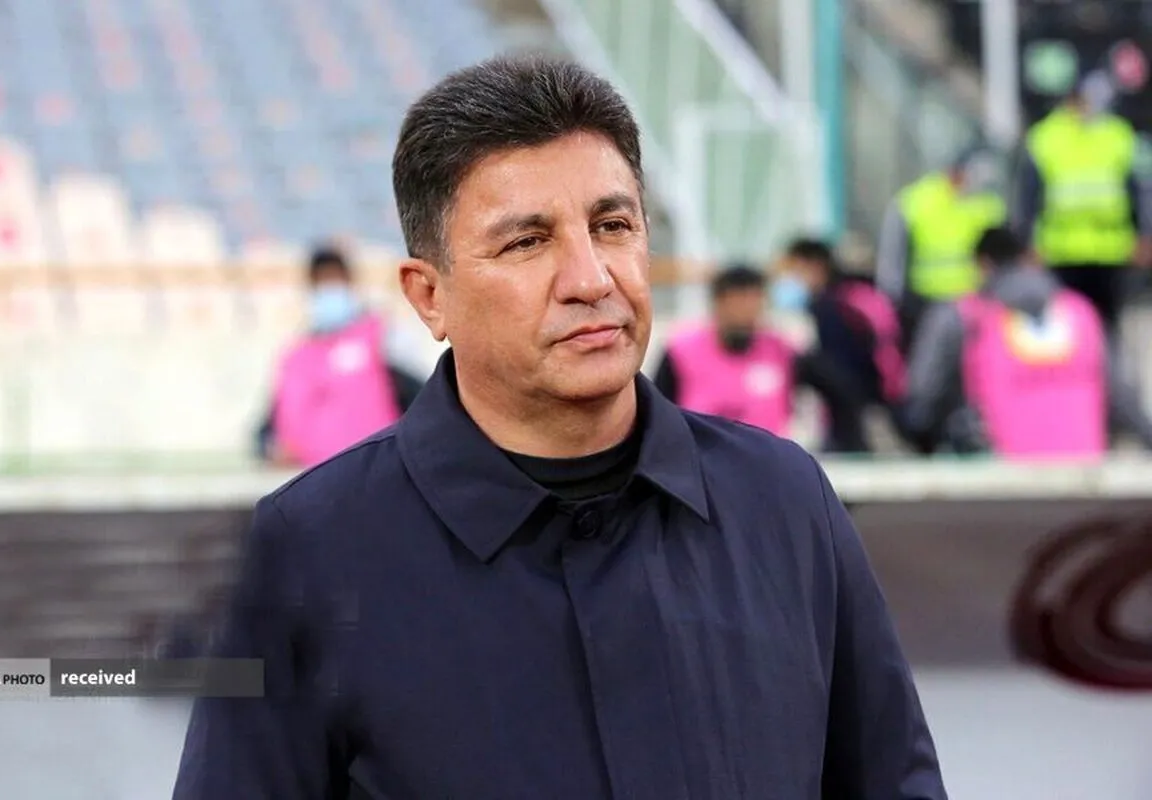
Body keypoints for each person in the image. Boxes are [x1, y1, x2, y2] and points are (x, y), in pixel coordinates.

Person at [173, 55, 945, 799]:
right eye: (527, 241)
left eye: (612, 225)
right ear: (429, 296)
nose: (590, 278)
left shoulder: (782, 500)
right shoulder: (314, 549)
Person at [905, 227, 1152, 458]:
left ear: (982, 265)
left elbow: (921, 401)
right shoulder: (1080, 312)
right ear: (1030, 258)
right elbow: (1122, 398)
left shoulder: (964, 317)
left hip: (998, 474)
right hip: (1084, 470)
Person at [654, 264, 872, 452]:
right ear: (718, 303)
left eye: (754, 303)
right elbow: (656, 414)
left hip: (763, 464)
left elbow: (840, 390)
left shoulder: (780, 352)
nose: (746, 313)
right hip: (700, 463)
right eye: (738, 303)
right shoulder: (681, 352)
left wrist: (846, 445)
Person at [1012, 71, 1152, 343]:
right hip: (1060, 252)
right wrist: (1027, 244)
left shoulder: (1117, 135)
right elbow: (1029, 197)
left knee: (1107, 328)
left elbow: (1135, 192)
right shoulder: (1045, 137)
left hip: (1110, 251)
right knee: (1068, 328)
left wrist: (1143, 236)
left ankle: (1106, 370)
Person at [256, 246, 427, 467]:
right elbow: (268, 428)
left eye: (334, 280)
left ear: (349, 282)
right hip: (316, 476)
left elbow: (420, 397)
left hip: (379, 468)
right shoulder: (296, 356)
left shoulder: (382, 338)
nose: (329, 289)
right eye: (321, 282)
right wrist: (271, 449)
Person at [775, 237, 912, 451]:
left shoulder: (831, 308)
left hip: (859, 412)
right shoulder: (859, 295)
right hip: (879, 405)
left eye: (794, 270)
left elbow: (841, 370)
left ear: (815, 266)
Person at [876, 147, 1007, 348]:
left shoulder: (989, 203)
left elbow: (1003, 256)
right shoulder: (915, 201)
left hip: (976, 305)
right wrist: (892, 302)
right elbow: (892, 257)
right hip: (924, 304)